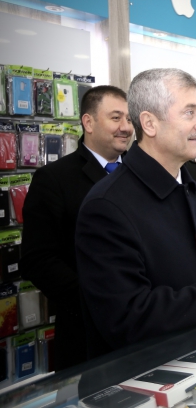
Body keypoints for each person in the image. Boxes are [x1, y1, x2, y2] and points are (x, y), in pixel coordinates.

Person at [75, 68, 196, 359]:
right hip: (143, 374)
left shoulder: (193, 187)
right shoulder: (106, 206)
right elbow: (128, 317)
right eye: (189, 113)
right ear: (150, 123)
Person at [20, 85, 133, 371]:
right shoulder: (54, 179)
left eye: (129, 119)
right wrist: (95, 299)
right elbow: (38, 259)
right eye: (116, 118)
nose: (126, 127)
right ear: (88, 122)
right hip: (87, 339)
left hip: (146, 331)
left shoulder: (140, 173)